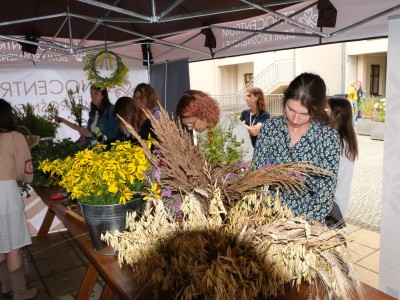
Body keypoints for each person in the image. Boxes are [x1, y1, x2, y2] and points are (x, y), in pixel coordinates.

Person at [253, 73, 340, 222]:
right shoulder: (270, 128)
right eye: (291, 109)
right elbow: (257, 174)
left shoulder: (327, 137)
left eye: (304, 114)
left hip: (305, 225)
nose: (295, 119)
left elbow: (325, 192)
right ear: (284, 100)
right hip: (267, 218)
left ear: (317, 109)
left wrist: (301, 227)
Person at [0, 99, 37, 299]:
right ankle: (19, 292)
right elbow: (26, 169)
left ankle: (5, 287)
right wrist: (26, 179)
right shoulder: (15, 137)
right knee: (13, 243)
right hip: (6, 193)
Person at [176, 90, 253, 162]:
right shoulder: (203, 129)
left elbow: (248, 161)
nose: (189, 128)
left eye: (192, 123)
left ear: (203, 114)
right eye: (186, 124)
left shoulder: (234, 127)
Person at [326, 97, 358, 227]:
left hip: (332, 205)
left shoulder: (337, 142)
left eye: (327, 109)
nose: (324, 112)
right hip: (339, 202)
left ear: (337, 114)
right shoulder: (346, 140)